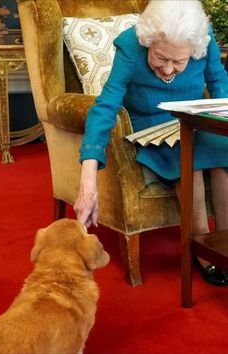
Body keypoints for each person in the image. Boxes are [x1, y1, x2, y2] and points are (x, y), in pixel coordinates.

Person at [74, 0, 228, 286]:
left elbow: (219, 82)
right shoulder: (131, 46)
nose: (168, 69)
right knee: (189, 161)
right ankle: (201, 249)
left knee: (223, 158)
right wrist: (88, 180)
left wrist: (222, 121)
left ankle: (224, 246)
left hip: (193, 119)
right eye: (160, 58)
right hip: (150, 125)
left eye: (179, 62)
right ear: (149, 39)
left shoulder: (202, 39)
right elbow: (105, 106)